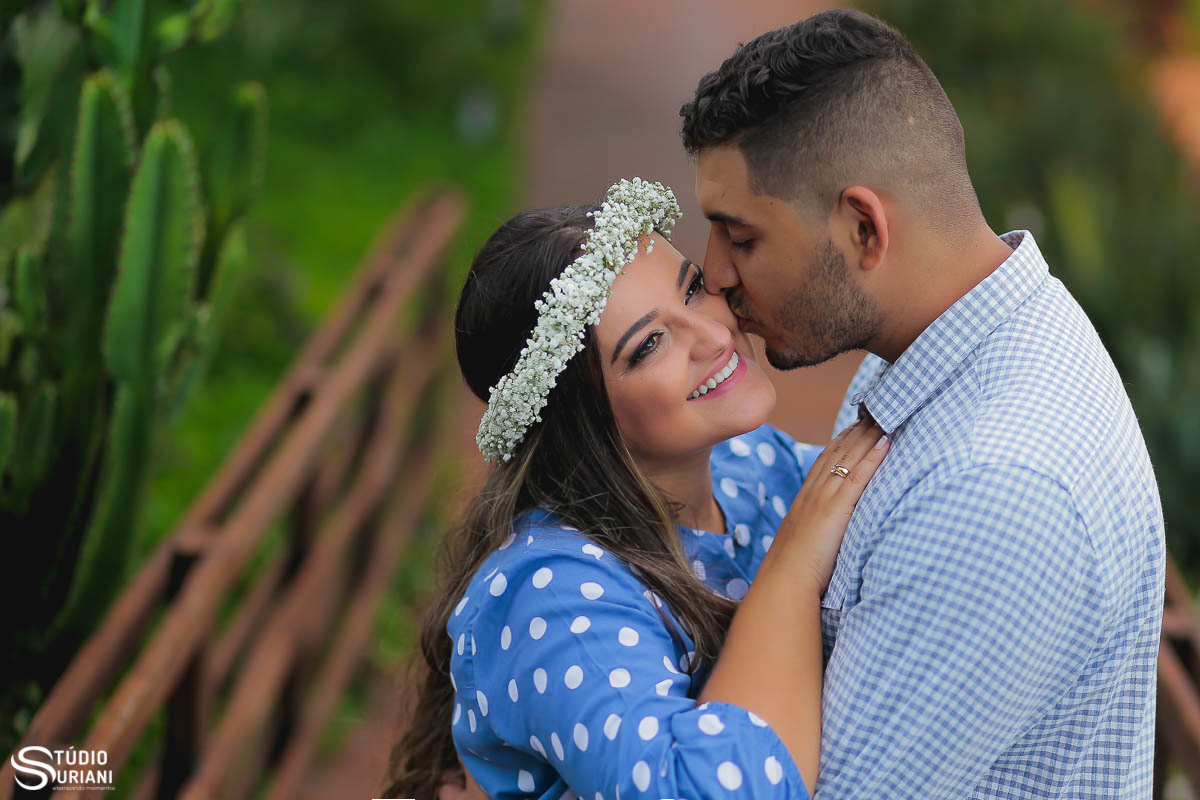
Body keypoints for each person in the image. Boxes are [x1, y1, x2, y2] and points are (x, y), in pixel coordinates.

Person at [679, 9, 1165, 798]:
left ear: (864, 228)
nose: (716, 275)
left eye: (742, 238)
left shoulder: (996, 493)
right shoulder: (952, 338)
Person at [383, 178, 889, 800]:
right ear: (579, 418)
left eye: (695, 289)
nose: (714, 335)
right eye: (648, 345)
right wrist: (792, 567)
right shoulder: (553, 596)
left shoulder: (750, 463)